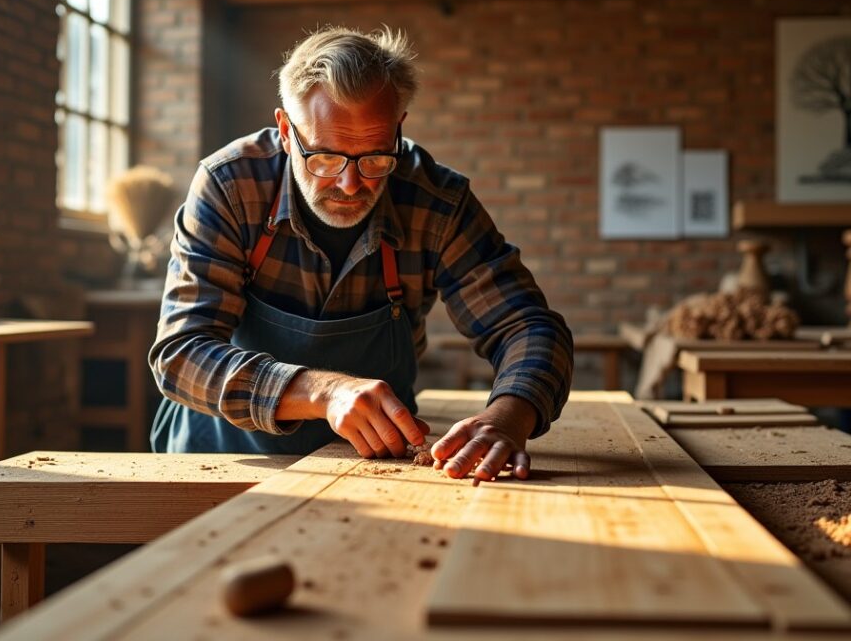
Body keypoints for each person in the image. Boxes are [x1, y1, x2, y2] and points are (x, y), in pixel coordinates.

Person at [150, 26, 573, 483]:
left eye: (374, 158)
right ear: (287, 132)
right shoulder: (231, 186)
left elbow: (528, 326)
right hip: (221, 459)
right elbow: (180, 355)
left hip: (374, 467)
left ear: (398, 128)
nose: (351, 185)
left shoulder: (436, 201)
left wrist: (508, 417)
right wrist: (324, 393)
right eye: (325, 158)